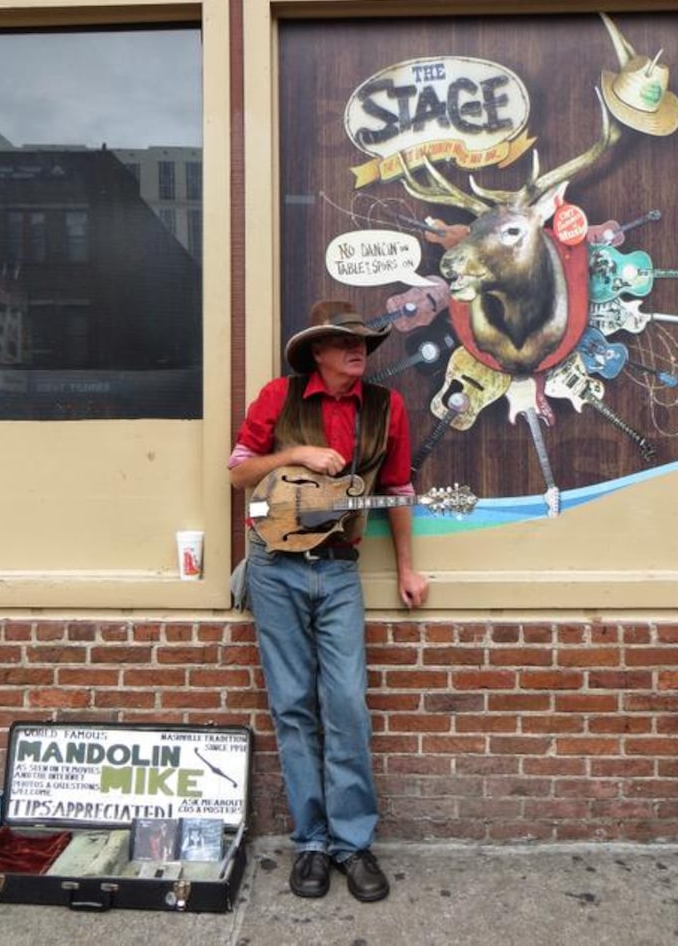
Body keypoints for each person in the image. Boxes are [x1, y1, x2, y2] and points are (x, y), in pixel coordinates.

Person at [228, 299, 429, 903]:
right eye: (345, 341)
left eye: (364, 341)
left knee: (346, 704)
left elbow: (395, 491)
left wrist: (407, 569)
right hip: (274, 569)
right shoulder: (277, 398)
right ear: (318, 351)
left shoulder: (385, 407)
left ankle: (352, 843)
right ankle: (311, 843)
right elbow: (237, 474)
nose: (358, 349)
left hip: (340, 572)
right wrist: (295, 455)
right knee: (293, 706)